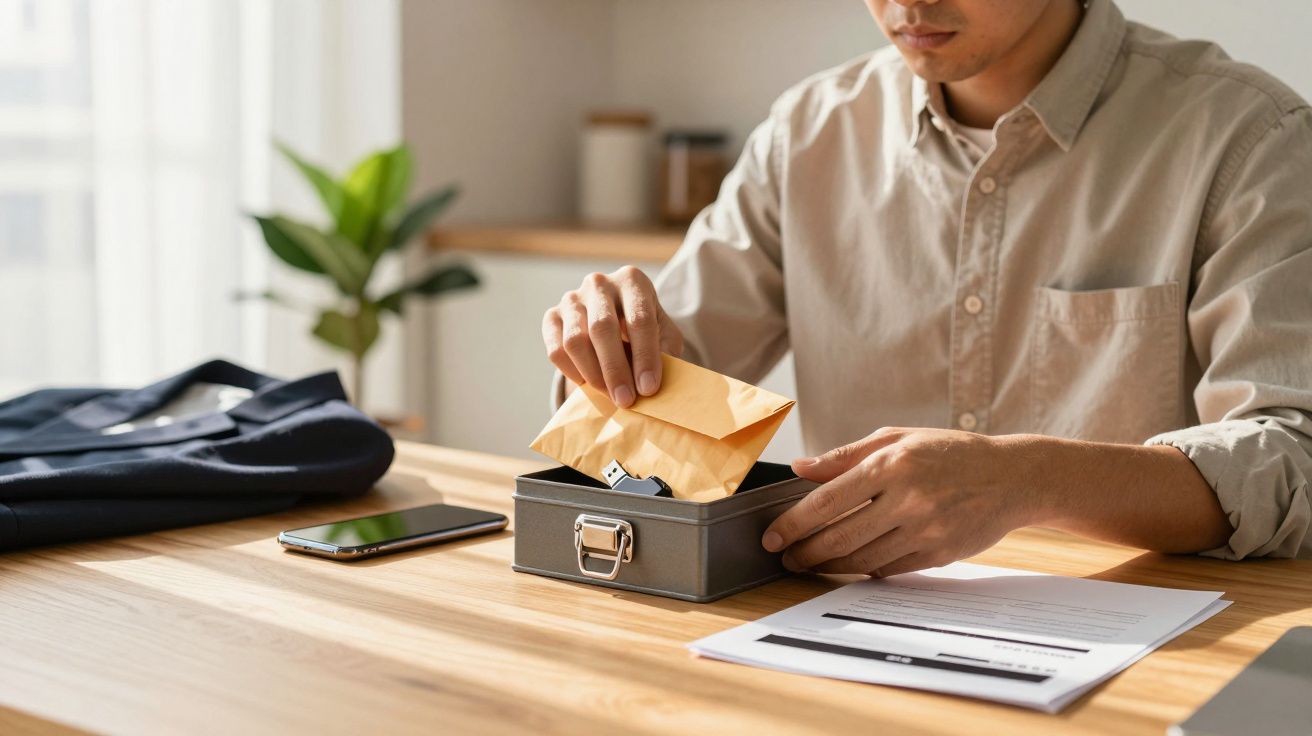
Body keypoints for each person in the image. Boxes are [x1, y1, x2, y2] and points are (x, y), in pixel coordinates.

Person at [540, 0, 1312, 573]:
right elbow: (653, 427)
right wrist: (614, 358)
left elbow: (1293, 461)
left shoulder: (1249, 140)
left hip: (1146, 651)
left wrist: (1026, 480)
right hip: (838, 631)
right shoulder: (807, 133)